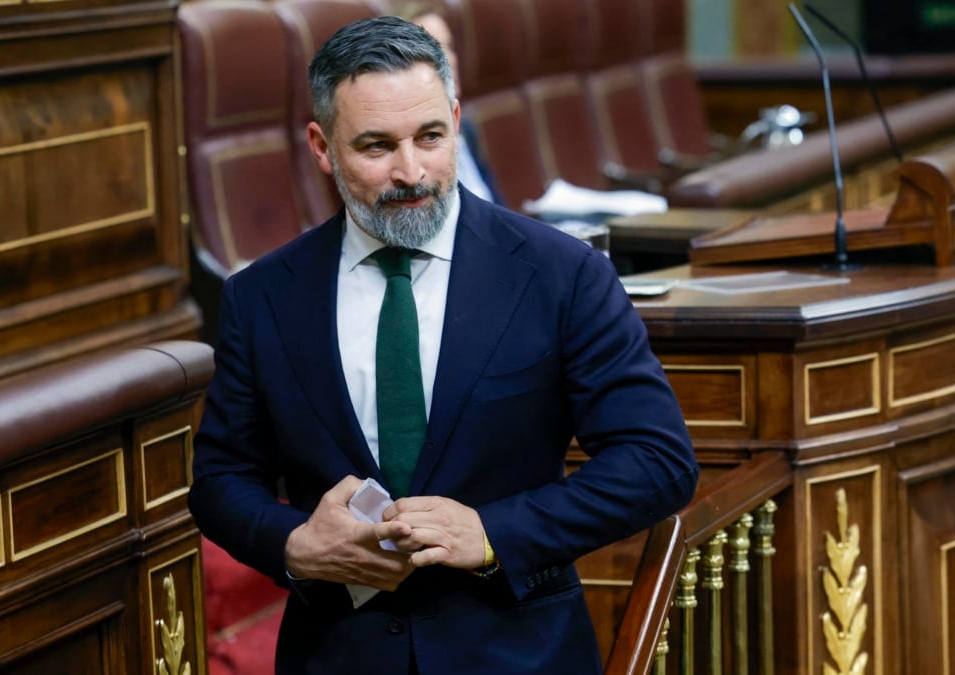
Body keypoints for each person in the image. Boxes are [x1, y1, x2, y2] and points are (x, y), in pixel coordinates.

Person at [188, 15, 698, 675]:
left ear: (456, 120)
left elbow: (657, 460)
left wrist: (491, 532)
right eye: (376, 146)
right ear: (321, 145)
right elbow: (222, 478)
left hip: (520, 650)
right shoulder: (262, 295)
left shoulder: (560, 273)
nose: (411, 171)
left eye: (429, 136)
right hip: (338, 655)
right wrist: (295, 543)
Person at [397, 1, 504, 206]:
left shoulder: (465, 128)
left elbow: (498, 211)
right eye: (434, 49)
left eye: (449, 47)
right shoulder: (408, 152)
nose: (450, 60)